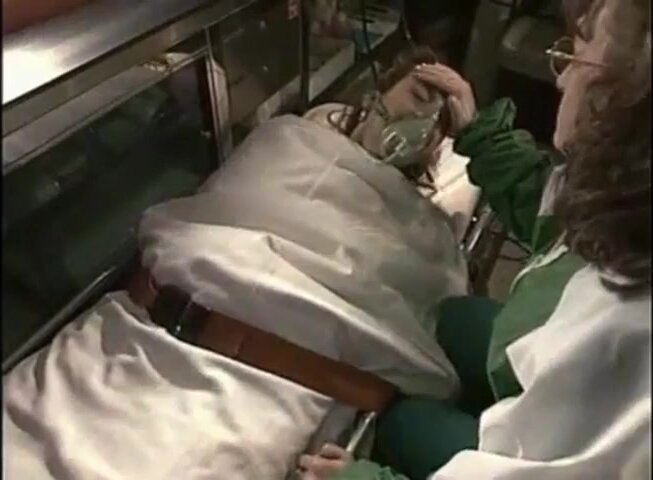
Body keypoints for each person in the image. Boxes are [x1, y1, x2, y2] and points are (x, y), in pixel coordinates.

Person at [2, 45, 473, 479]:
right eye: (420, 95)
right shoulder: (288, 140)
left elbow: (432, 302)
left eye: (441, 122)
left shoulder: (423, 225)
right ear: (379, 90)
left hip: (269, 380)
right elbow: (213, 213)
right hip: (148, 331)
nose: (423, 120)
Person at [298, 0, 651, 478]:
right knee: (455, 319)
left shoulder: (624, 327)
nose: (561, 78)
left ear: (626, 98)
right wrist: (480, 135)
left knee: (405, 422)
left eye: (578, 55)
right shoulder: (627, 202)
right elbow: (558, 213)